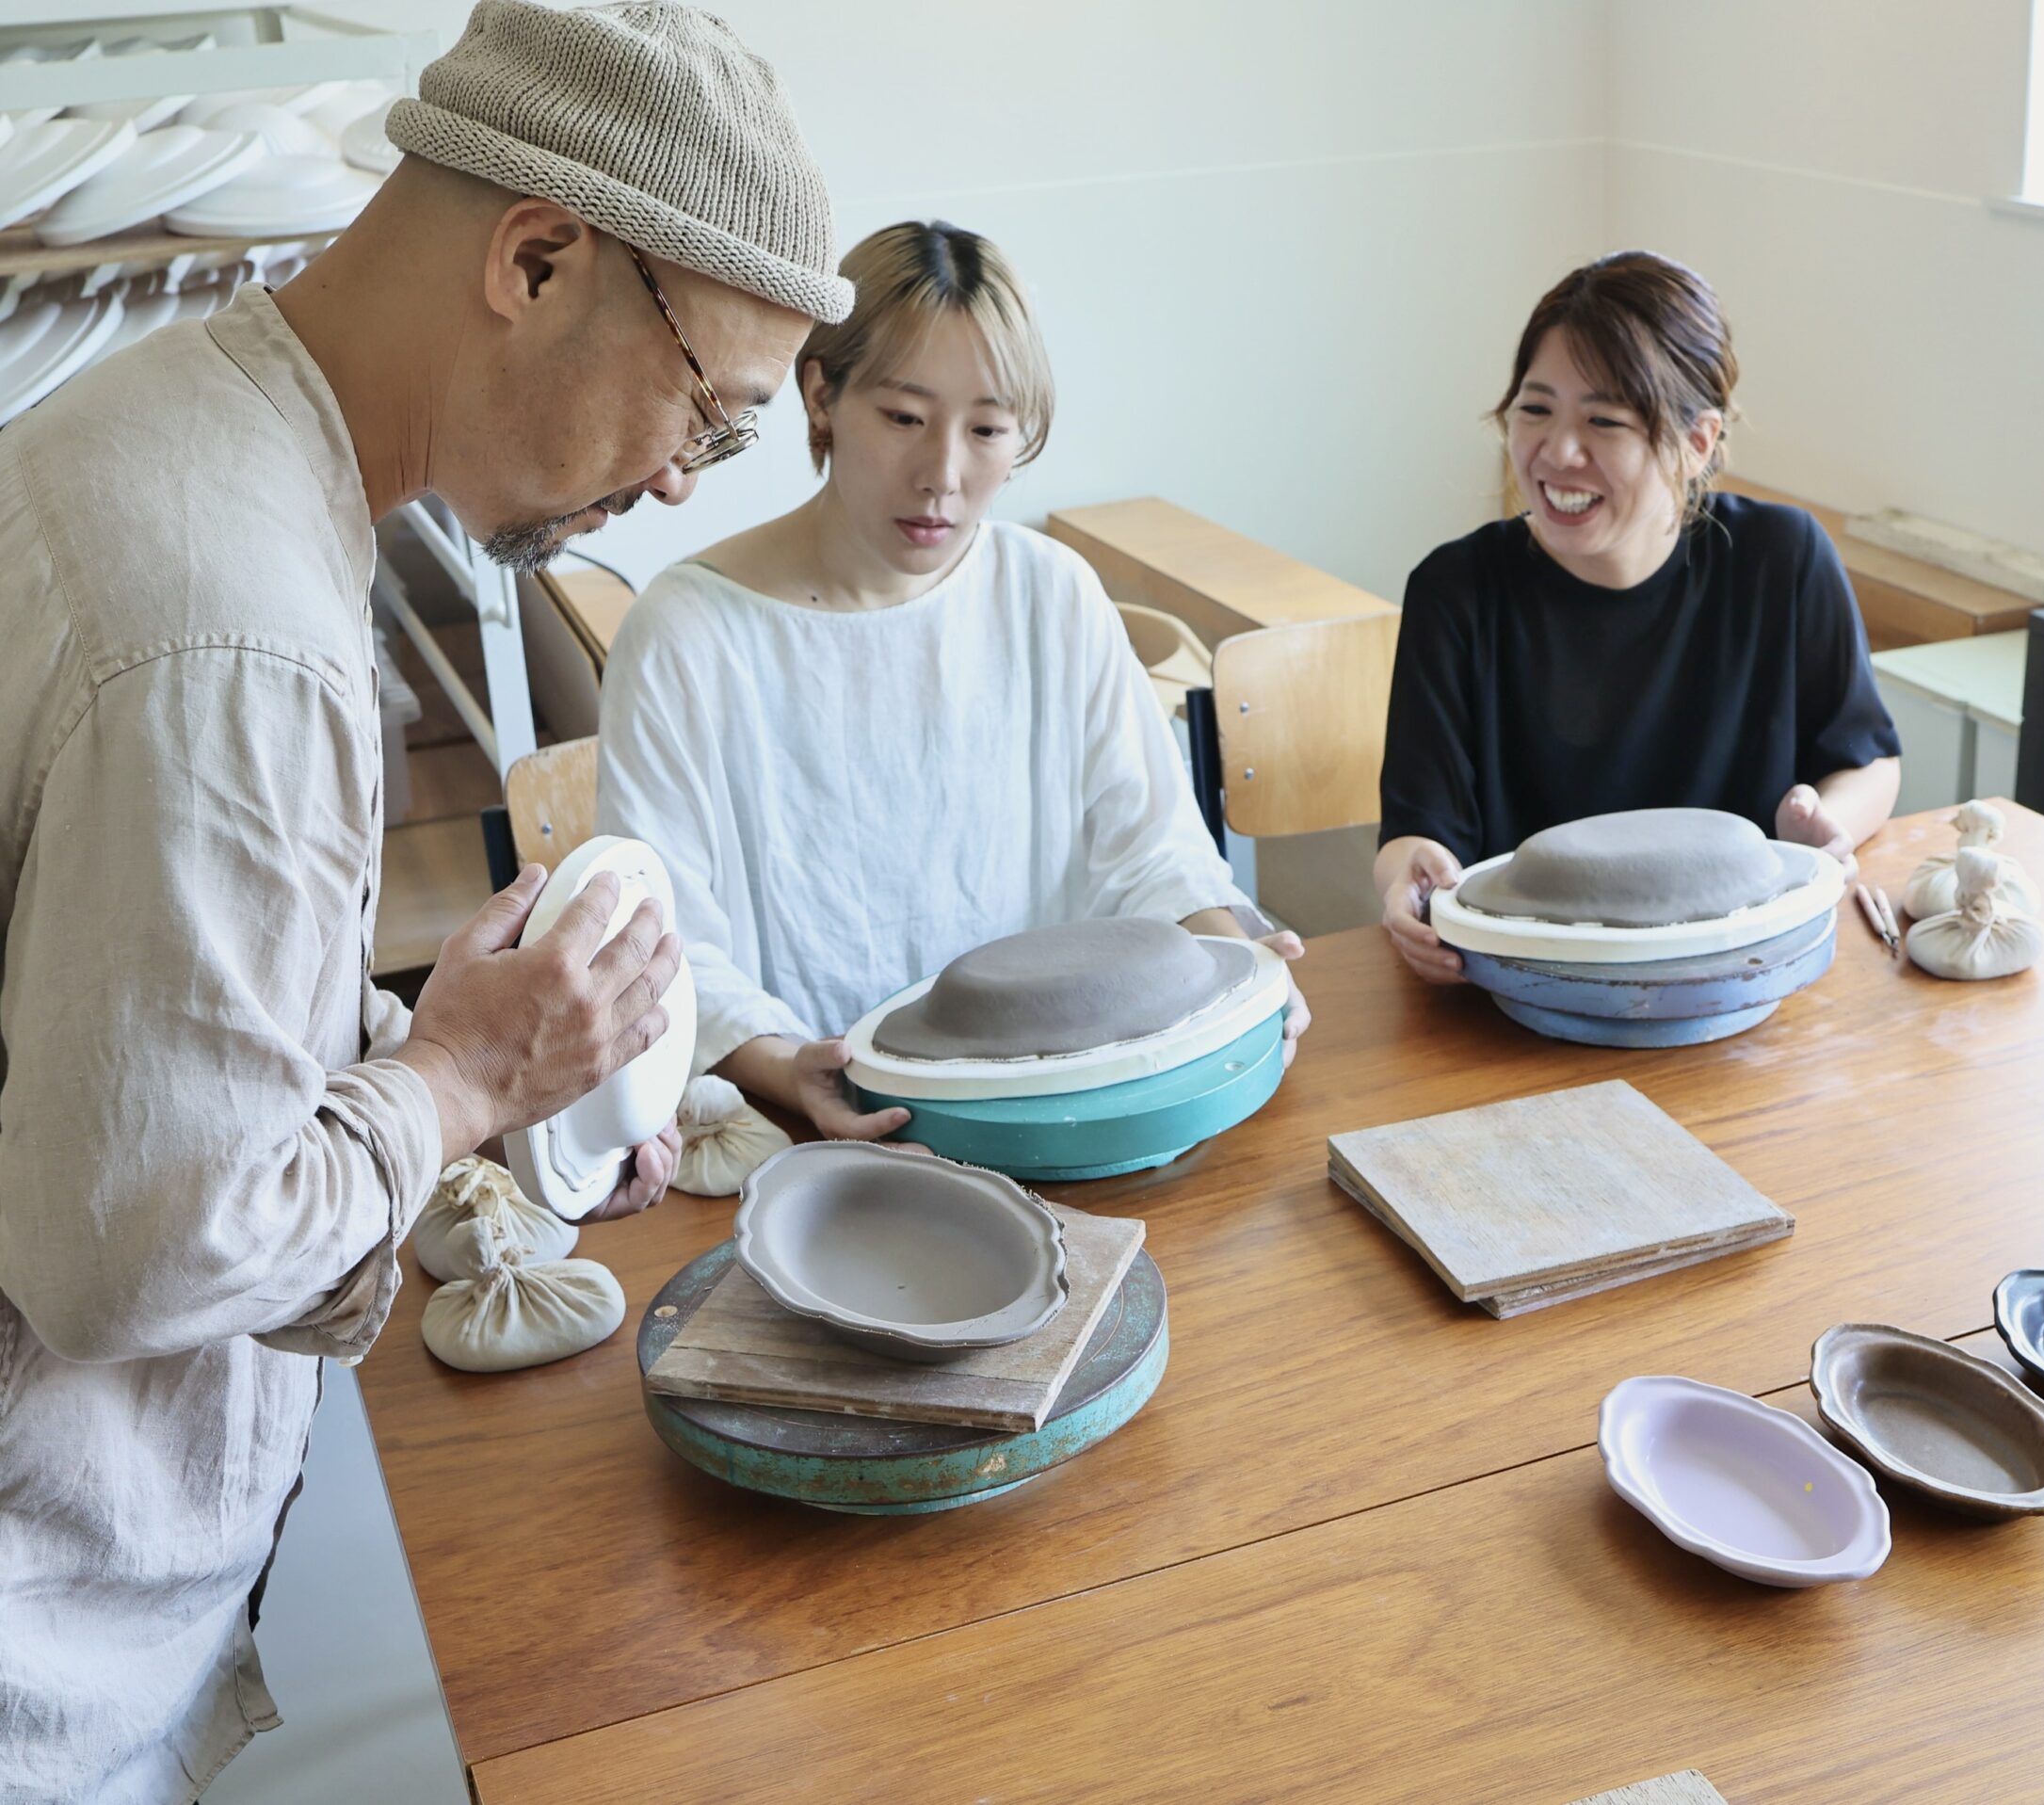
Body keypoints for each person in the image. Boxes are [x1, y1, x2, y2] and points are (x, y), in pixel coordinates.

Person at [0, 4, 847, 1796]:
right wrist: (454, 1085)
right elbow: (136, 1247)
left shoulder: (177, 425)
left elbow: (92, 1011)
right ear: (537, 258)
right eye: (707, 406)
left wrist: (444, 1045)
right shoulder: (228, 633)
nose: (684, 480)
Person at [597, 220, 1307, 1141]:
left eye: (986, 430)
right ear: (821, 394)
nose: (941, 475)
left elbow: (1148, 849)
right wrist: (787, 1066)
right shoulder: (688, 634)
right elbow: (672, 942)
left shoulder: (1049, 594)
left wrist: (1245, 972)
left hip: (1059, 1108)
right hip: (818, 1128)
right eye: (902, 418)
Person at [1376, 251, 1901, 984]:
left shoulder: (1781, 559)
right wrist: (1407, 879)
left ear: (1698, 443)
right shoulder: (1455, 591)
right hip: (1537, 989)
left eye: (1605, 420)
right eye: (1535, 408)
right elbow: (1417, 830)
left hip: (1742, 975)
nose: (1557, 451)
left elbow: (1866, 756)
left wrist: (1823, 826)